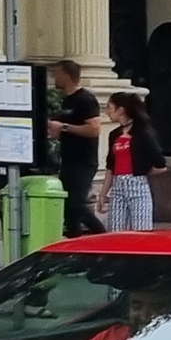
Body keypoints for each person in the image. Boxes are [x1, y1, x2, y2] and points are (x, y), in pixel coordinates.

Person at [44, 59, 108, 236]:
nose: (54, 78)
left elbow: (94, 129)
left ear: (66, 75)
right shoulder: (66, 100)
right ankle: (75, 241)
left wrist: (64, 127)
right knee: (68, 206)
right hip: (69, 160)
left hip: (84, 161)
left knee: (76, 204)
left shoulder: (85, 99)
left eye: (56, 74)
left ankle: (101, 235)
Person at [102, 91, 165, 231]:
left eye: (110, 107)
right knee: (115, 230)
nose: (107, 112)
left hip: (137, 184)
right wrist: (103, 194)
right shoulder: (114, 135)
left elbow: (161, 164)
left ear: (121, 110)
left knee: (140, 230)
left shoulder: (143, 133)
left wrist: (141, 170)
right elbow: (110, 166)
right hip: (117, 186)